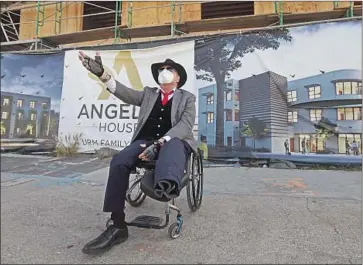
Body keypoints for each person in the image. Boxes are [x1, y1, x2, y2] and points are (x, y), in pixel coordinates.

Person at [78, 51, 197, 255]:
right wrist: (103, 75)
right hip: (145, 141)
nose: (164, 72)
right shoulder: (149, 94)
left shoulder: (187, 98)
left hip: (173, 142)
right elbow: (125, 93)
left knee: (173, 146)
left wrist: (159, 144)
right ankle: (117, 226)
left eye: (169, 69)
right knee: (119, 161)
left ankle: (164, 186)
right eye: (161, 69)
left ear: (177, 78)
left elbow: (185, 125)